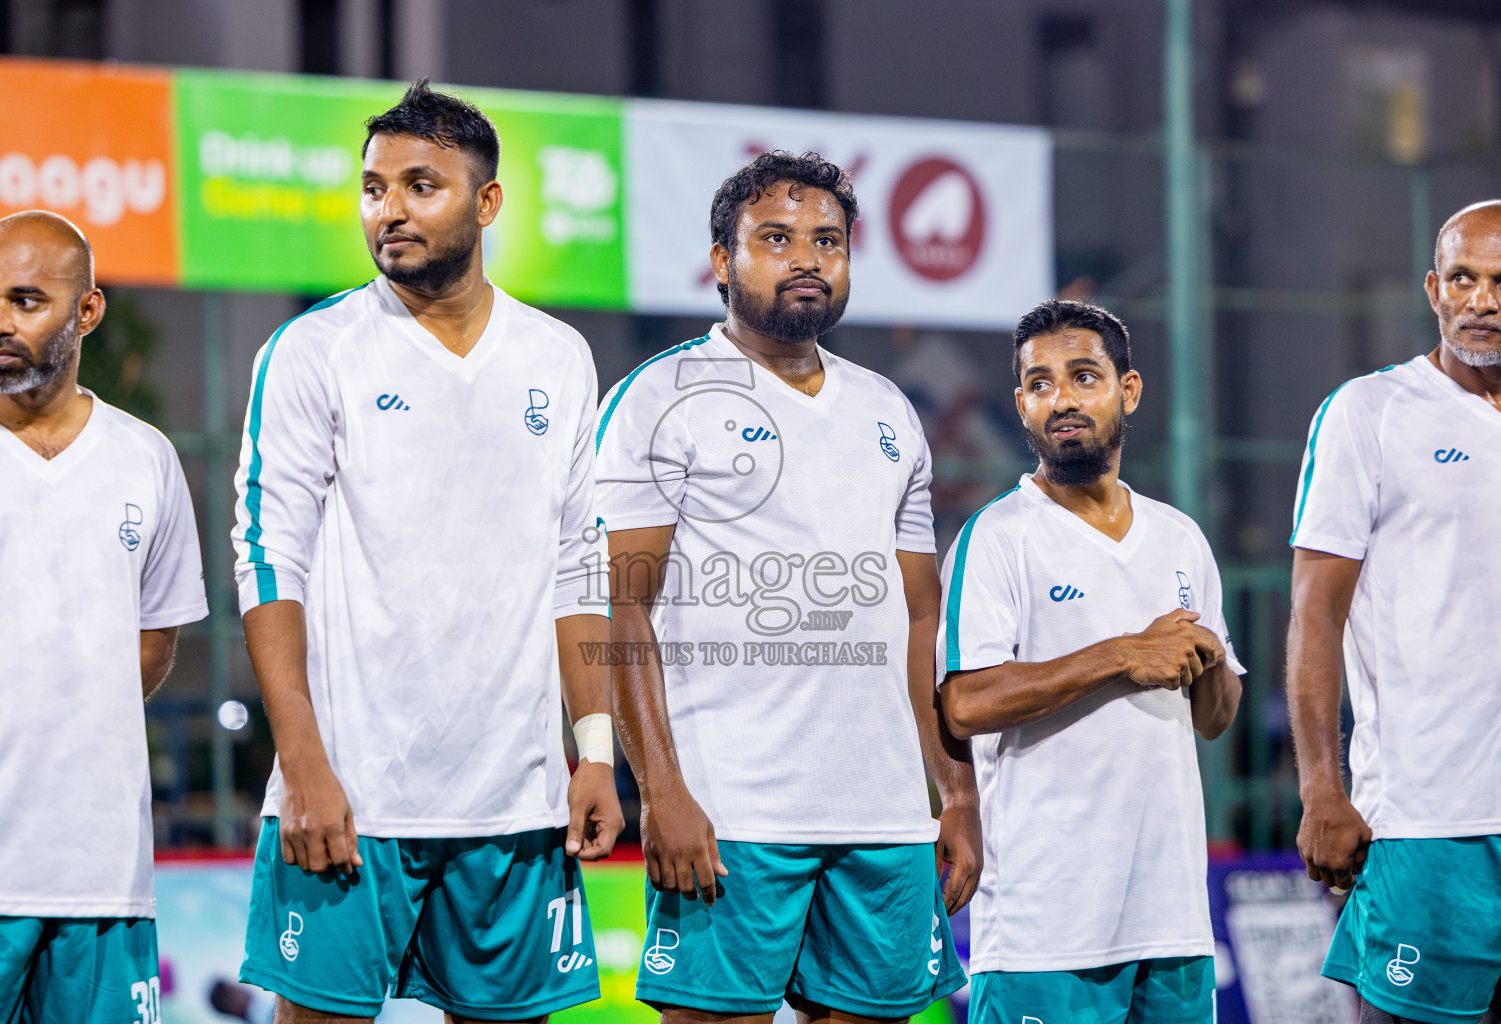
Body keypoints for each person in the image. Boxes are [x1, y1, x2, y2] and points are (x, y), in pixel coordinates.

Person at [232, 80, 623, 1023]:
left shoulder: (559, 357)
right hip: (353, 795)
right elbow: (268, 560)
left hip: (516, 804)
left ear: (486, 203)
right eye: (373, 188)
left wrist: (597, 755)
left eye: (419, 185)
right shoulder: (313, 350)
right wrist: (304, 769)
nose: (389, 210)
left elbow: (579, 568)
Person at [596, 150, 978, 1023]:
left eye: (827, 240)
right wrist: (660, 791)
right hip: (734, 811)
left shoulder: (888, 411)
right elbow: (623, 611)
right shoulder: (659, 398)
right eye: (777, 238)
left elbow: (922, 617)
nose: (807, 257)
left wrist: (955, 795)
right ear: (722, 261)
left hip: (884, 820)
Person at [937, 299, 1243, 1024]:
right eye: (1040, 384)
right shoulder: (998, 538)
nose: (1061, 400)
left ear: (1127, 391)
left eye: (1082, 376)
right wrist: (1121, 655)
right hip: (1046, 927)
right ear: (1020, 405)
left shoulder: (1180, 538)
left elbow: (1214, 720)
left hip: (1171, 919)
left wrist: (1209, 663)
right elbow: (965, 703)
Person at [0, 211, 208, 1024]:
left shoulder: (146, 459)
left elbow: (153, 642)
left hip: (103, 879)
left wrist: (71, 717)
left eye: (25, 301)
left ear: (88, 312)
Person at [1287, 201, 1501, 1024]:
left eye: (1498, 282)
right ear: (1433, 289)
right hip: (1426, 821)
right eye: (1462, 279)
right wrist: (1321, 791)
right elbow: (1314, 616)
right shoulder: (1368, 414)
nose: (1479, 299)